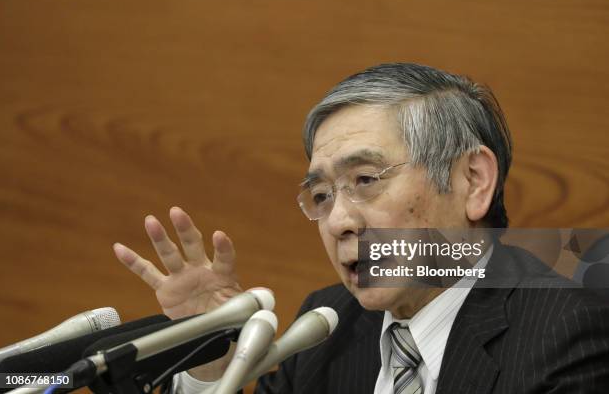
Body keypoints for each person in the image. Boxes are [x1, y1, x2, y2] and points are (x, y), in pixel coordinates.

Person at [113, 63, 609, 393]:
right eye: (322, 195)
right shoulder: (325, 327)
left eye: (366, 180)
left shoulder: (566, 331)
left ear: (471, 181)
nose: (339, 220)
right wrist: (215, 365)